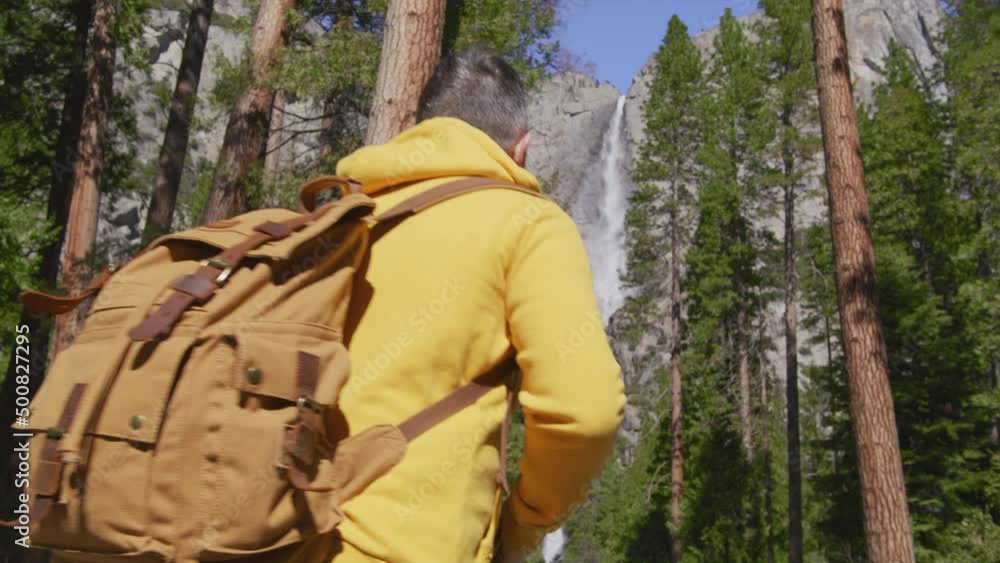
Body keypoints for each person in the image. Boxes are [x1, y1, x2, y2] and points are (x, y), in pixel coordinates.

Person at [329, 45, 625, 563]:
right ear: (522, 150)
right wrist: (525, 525)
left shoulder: (344, 218)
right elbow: (586, 411)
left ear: (421, 132)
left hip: (285, 537)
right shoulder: (527, 222)